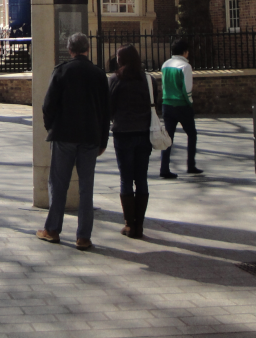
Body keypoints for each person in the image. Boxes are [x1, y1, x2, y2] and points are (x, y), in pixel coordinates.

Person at [37, 32, 110, 250]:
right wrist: (103, 140)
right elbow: (106, 112)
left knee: (58, 184)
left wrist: (51, 126)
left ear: (70, 50)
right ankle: (83, 236)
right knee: (86, 188)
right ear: (87, 49)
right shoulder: (99, 74)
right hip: (90, 137)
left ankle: (52, 230)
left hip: (64, 135)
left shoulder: (62, 71)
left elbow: (48, 105)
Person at [109, 44, 153, 238]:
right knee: (141, 177)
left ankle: (129, 224)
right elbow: (155, 102)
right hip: (144, 132)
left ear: (123, 60)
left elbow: (109, 108)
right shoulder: (148, 80)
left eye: (118, 57)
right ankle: (140, 225)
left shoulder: (115, 80)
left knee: (126, 178)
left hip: (122, 133)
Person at [159, 37, 203, 178]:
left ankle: (164, 168)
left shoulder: (165, 64)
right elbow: (187, 88)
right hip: (182, 105)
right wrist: (190, 103)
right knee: (192, 134)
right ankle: (191, 165)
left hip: (167, 104)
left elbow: (164, 85)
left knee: (168, 138)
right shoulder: (185, 66)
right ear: (184, 52)